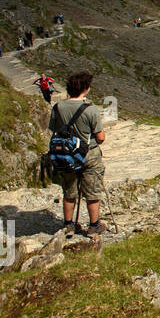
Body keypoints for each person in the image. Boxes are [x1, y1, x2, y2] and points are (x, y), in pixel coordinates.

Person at [49, 72, 107, 236]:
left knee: (69, 191)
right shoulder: (91, 110)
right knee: (92, 191)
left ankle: (68, 225)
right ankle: (93, 226)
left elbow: (54, 130)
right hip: (88, 154)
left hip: (65, 154)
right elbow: (100, 137)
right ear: (86, 89)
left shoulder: (58, 108)